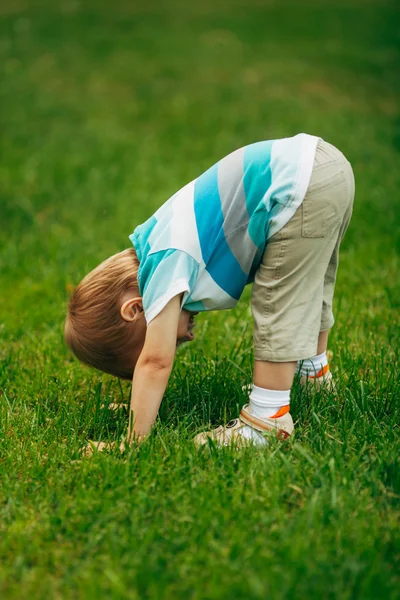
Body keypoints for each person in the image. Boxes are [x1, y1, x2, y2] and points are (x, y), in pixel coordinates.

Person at [65, 133, 354, 450]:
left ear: (134, 309)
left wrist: (133, 441)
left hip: (298, 185)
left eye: (170, 342)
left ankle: (267, 420)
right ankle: (311, 373)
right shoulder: (160, 242)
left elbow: (155, 363)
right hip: (323, 166)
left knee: (278, 303)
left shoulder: (163, 263)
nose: (186, 339)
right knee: (309, 284)